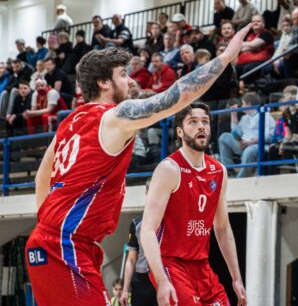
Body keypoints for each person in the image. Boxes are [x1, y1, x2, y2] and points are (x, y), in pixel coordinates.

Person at [25, 25, 250, 305]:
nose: (130, 81)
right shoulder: (114, 117)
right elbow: (175, 97)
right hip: (65, 244)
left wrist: (47, 230)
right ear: (103, 82)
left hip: (52, 242)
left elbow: (41, 179)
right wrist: (225, 57)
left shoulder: (69, 122)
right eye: (123, 74)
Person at [140, 103, 247, 306]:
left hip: (201, 265)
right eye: (193, 122)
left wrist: (236, 278)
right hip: (171, 263)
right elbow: (147, 230)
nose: (201, 126)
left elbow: (222, 227)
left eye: (205, 121)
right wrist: (162, 280)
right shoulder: (169, 169)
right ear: (180, 131)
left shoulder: (219, 171)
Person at [218, 92, 275, 178]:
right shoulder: (244, 117)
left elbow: (267, 136)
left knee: (249, 151)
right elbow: (236, 133)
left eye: (243, 104)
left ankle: (240, 178)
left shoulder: (265, 115)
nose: (241, 106)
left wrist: (249, 143)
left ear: (249, 104)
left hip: (258, 145)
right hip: (243, 144)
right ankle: (229, 170)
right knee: (224, 137)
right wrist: (234, 115)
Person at [120, 182, 157, 306]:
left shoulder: (170, 222)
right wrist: (125, 290)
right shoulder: (136, 223)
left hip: (163, 278)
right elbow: (131, 260)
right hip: (141, 281)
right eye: (152, 192)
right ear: (146, 193)